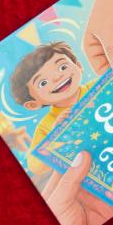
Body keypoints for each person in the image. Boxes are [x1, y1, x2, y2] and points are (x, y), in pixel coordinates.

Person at [9, 42, 93, 174]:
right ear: (33, 104)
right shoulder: (47, 126)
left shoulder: (99, 85)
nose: (57, 77)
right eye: (43, 83)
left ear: (78, 66)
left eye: (63, 67)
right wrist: (56, 136)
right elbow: (35, 166)